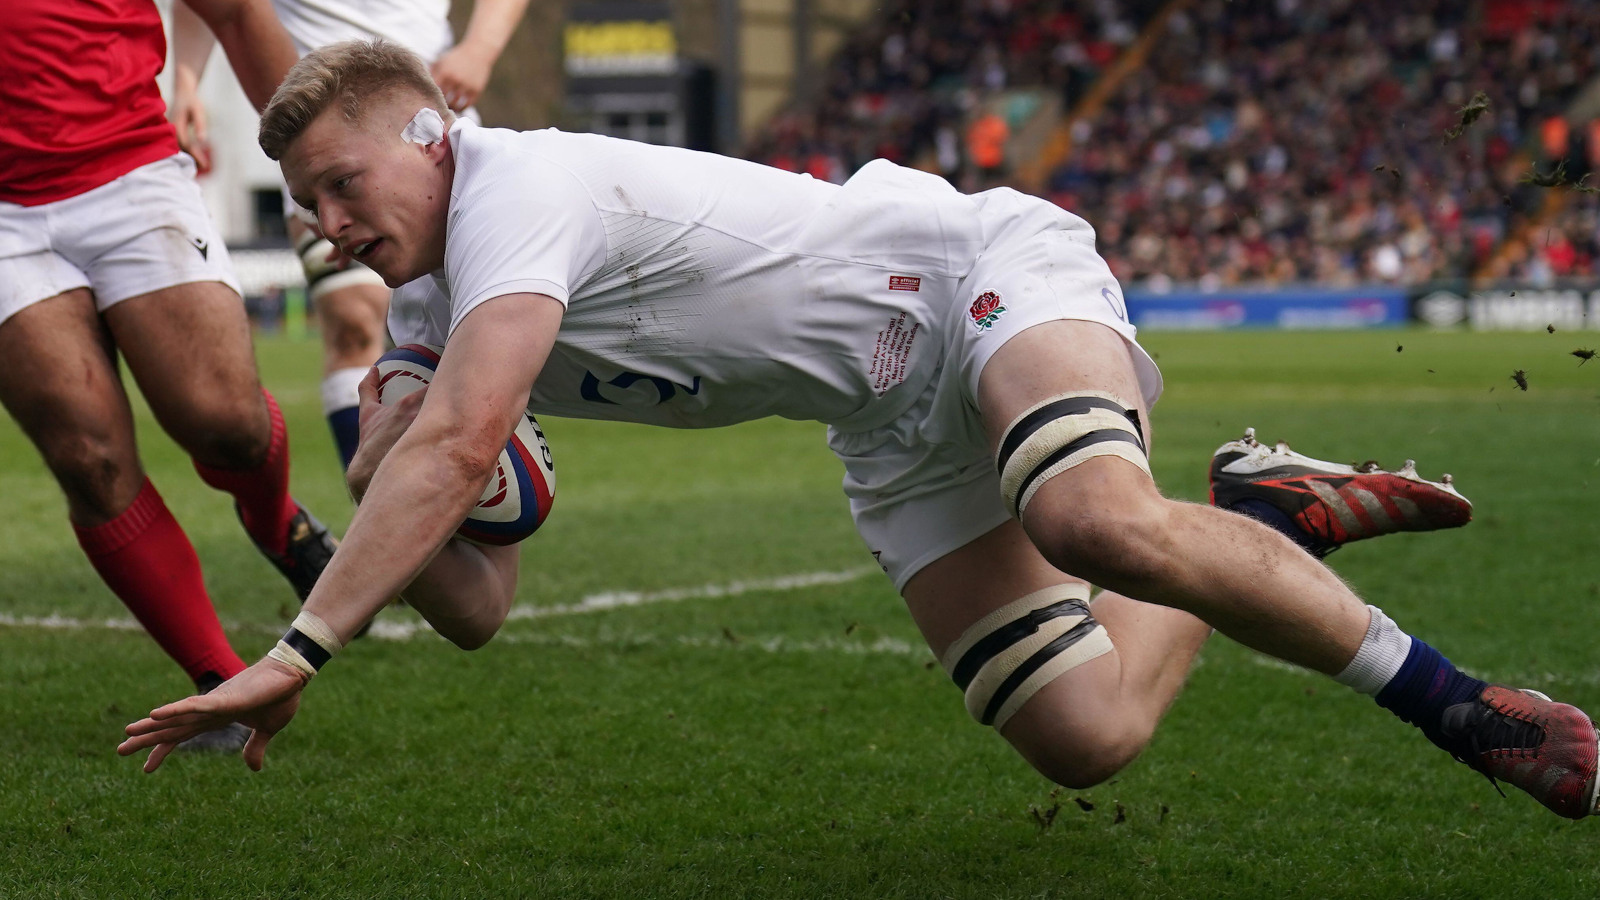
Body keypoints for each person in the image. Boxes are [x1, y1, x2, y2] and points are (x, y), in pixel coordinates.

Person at [120, 40, 1599, 820]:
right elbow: (478, 601)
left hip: (971, 278)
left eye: (333, 184)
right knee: (1084, 738)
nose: (320, 225)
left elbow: (459, 453)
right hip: (884, 423)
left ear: (430, 137)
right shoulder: (428, 302)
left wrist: (295, 650)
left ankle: (1465, 706)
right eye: (301, 205)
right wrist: (379, 421)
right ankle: (1265, 513)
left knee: (1092, 522)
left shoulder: (518, 187)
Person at [0, 0, 337, 751]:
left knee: (225, 422)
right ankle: (222, 684)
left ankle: (277, 521)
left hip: (128, 170)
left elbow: (237, 12)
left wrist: (324, 167)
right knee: (89, 459)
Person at [167, 0, 532, 472]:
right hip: (321, 151)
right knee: (353, 321)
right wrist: (185, 83)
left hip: (428, 126)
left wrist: (479, 50)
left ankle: (472, 516)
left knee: (472, 334)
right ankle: (380, 509)